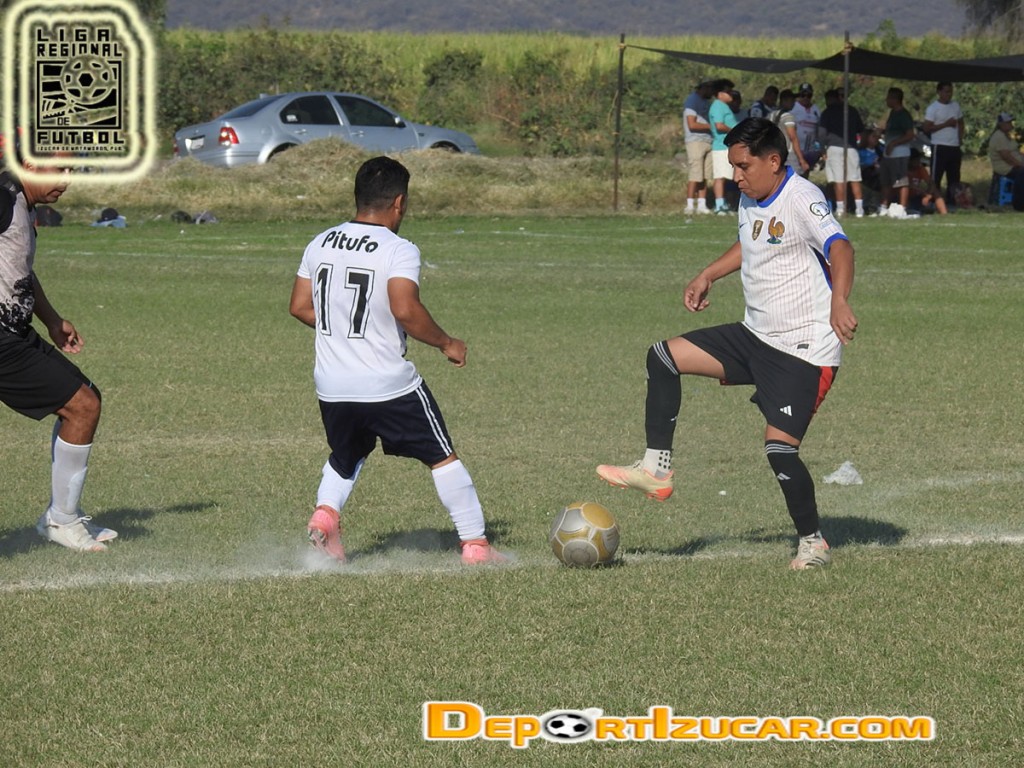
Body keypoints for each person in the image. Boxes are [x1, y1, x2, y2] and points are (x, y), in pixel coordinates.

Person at [597, 117, 857, 570]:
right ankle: (656, 469)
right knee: (663, 357)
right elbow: (749, 242)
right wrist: (708, 274)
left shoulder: (802, 197)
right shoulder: (750, 196)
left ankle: (813, 543)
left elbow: (841, 248)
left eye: (743, 166)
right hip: (754, 335)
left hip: (803, 349)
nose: (735, 175)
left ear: (773, 161)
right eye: (733, 166)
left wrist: (839, 301)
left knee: (780, 450)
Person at [289, 156, 505, 565]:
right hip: (387, 384)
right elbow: (405, 309)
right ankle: (476, 545)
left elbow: (299, 306)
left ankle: (325, 514)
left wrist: (343, 328)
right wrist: (447, 343)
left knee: (346, 456)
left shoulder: (320, 242)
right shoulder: (398, 249)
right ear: (399, 203)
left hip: (332, 385)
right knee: (441, 456)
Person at [1, 154, 113, 551]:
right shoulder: (3, 197)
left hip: (15, 332)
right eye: (59, 170)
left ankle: (62, 515)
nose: (66, 180)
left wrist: (51, 320)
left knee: (87, 400)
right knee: (82, 406)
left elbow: (19, 269)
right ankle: (61, 520)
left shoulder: (20, 202)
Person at [819, 87, 866, 217]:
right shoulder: (852, 110)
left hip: (834, 147)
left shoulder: (827, 112)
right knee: (855, 178)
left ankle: (840, 209)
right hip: (851, 147)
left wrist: (822, 150)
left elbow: (822, 133)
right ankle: (859, 209)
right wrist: (859, 145)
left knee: (838, 179)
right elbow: (862, 131)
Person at [922, 82, 964, 207]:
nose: (948, 94)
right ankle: (934, 201)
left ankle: (952, 201)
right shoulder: (933, 108)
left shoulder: (955, 106)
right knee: (936, 177)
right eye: (946, 91)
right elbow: (926, 128)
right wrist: (945, 124)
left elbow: (961, 122)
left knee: (954, 176)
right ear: (939, 92)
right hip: (939, 145)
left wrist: (960, 137)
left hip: (954, 146)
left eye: (950, 92)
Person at [878, 87, 916, 219]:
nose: (886, 100)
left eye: (889, 97)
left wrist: (894, 143)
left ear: (895, 99)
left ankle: (902, 207)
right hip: (888, 154)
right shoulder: (892, 113)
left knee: (901, 181)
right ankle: (883, 206)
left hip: (900, 153)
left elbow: (910, 135)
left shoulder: (904, 115)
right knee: (886, 181)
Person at [682, 79, 715, 215]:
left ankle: (702, 204)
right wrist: (711, 126)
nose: (712, 92)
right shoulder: (692, 101)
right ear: (703, 88)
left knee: (705, 175)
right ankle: (690, 204)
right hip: (695, 141)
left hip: (708, 140)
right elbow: (692, 124)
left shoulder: (707, 102)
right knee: (695, 173)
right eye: (710, 89)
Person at [708, 79, 738, 214]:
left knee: (728, 175)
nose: (731, 94)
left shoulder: (724, 106)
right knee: (720, 176)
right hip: (721, 146)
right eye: (728, 91)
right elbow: (719, 125)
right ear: (720, 93)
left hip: (728, 146)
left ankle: (725, 204)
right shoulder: (717, 106)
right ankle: (719, 205)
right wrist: (734, 131)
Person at [987, 112, 1024, 211]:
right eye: (1008, 122)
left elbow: (1014, 152)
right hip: (1006, 167)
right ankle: (1020, 204)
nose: (1011, 124)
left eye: (1011, 122)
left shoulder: (1007, 136)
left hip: (1014, 164)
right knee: (1022, 174)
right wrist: (1020, 164)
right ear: (1001, 124)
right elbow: (1006, 156)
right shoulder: (999, 136)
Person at [770, 89, 810, 176]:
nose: (793, 103)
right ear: (784, 100)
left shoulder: (771, 115)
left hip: (774, 151)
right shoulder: (788, 117)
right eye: (791, 100)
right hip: (788, 153)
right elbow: (793, 137)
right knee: (795, 177)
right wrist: (801, 159)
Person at [907, 149, 948, 215]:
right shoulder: (904, 170)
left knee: (935, 191)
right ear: (909, 160)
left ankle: (944, 212)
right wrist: (923, 193)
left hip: (917, 197)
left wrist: (928, 196)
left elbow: (931, 183)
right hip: (906, 197)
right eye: (916, 160)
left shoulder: (920, 169)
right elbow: (909, 185)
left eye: (918, 160)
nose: (918, 162)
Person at [791, 83, 822, 172]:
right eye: (803, 95)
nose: (805, 98)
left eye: (808, 95)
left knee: (805, 174)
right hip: (795, 150)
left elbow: (819, 129)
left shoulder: (816, 109)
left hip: (810, 150)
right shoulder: (793, 108)